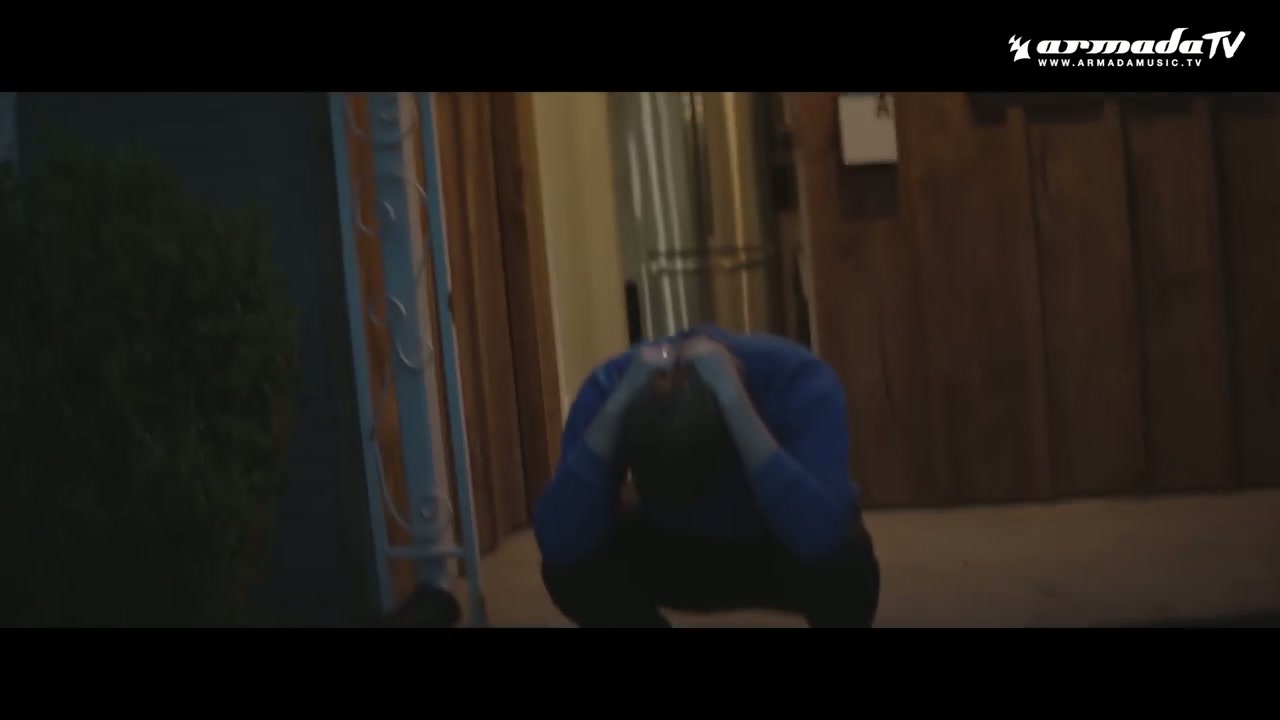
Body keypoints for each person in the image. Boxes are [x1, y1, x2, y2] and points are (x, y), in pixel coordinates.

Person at [532, 325, 880, 628]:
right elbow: (557, 540)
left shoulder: (800, 378)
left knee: (846, 559)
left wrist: (736, 404)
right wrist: (618, 403)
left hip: (773, 543)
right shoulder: (610, 385)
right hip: (669, 548)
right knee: (570, 564)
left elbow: (822, 533)